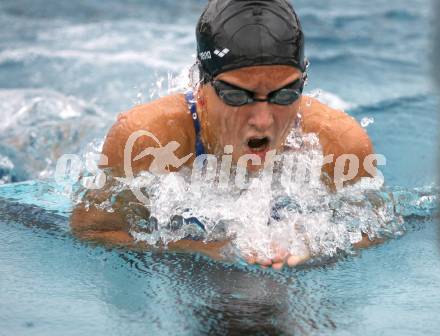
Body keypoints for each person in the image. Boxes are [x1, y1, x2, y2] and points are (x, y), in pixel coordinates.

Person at [71, 0, 378, 270]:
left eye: (284, 94)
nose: (262, 120)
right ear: (200, 87)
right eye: (237, 95)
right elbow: (95, 231)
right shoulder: (149, 141)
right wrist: (205, 250)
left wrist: (316, 247)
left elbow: (374, 229)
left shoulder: (338, 145)